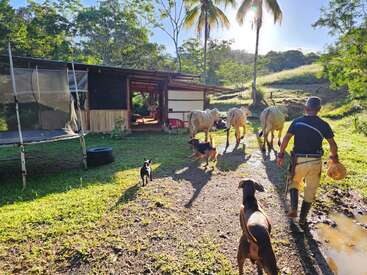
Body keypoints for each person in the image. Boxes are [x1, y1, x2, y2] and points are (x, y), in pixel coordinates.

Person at [276, 96, 339, 227]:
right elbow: (333, 144)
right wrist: (334, 158)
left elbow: (286, 139)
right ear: (319, 109)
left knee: (293, 181)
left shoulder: (297, 122)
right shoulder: (324, 124)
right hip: (315, 162)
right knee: (310, 190)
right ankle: (303, 220)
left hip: (298, 160)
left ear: (305, 108)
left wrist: (281, 154)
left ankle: (294, 208)